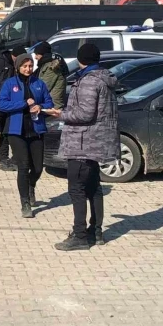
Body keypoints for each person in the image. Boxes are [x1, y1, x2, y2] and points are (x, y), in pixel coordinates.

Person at [46, 43, 118, 251]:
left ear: (81, 60)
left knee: (77, 189)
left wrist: (60, 114)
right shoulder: (104, 78)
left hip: (82, 142)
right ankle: (96, 232)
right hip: (95, 143)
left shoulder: (89, 81)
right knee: (93, 188)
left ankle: (80, 235)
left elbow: (85, 114)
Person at [0, 53, 54, 218]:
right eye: (24, 66)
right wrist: (23, 103)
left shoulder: (39, 83)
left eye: (30, 66)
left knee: (37, 167)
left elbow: (49, 102)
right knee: (23, 166)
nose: (28, 69)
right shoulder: (10, 83)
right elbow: (2, 104)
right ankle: (25, 204)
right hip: (16, 131)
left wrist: (40, 107)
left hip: (36, 130)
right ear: (18, 67)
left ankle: (31, 186)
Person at [32, 41, 68, 109]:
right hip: (48, 104)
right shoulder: (45, 65)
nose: (35, 57)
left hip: (53, 106)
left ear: (43, 54)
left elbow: (43, 87)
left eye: (37, 54)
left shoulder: (51, 67)